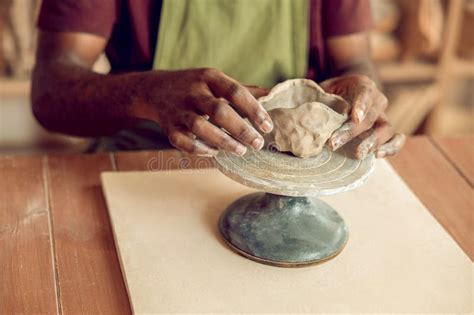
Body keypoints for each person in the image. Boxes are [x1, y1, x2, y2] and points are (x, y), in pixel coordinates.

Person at [32, 0, 405, 159]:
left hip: (292, 165)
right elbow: (51, 90)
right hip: (151, 159)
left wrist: (362, 94)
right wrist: (149, 93)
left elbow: (356, 59)